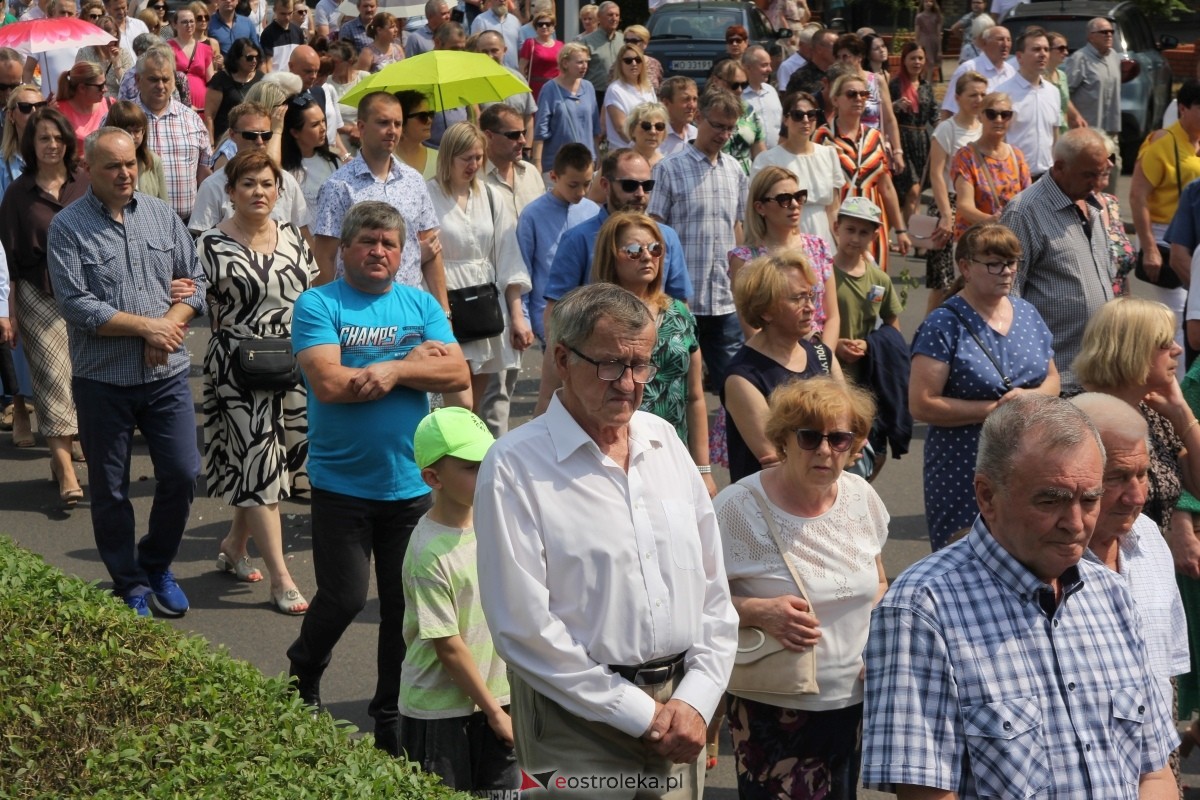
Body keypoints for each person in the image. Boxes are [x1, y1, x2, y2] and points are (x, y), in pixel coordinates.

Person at [474, 282, 740, 798]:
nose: (629, 382)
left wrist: (698, 699)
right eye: (612, 363)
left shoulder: (666, 443)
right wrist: (643, 714)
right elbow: (522, 626)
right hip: (574, 721)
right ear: (561, 359)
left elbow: (714, 592)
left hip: (680, 708)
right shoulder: (514, 466)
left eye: (642, 365)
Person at [862, 393, 1178, 799]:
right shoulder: (922, 612)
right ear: (987, 496)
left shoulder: (1114, 596)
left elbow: (1154, 774)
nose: (1076, 523)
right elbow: (927, 793)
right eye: (1051, 500)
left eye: (1090, 500)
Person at [285, 199, 471, 754]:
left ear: (403, 253)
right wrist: (415, 364)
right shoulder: (320, 304)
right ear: (344, 249)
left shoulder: (419, 302)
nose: (378, 251)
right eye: (368, 241)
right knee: (342, 599)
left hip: (413, 486)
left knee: (401, 608)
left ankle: (389, 716)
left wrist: (393, 367)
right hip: (342, 484)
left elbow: (458, 374)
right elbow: (328, 384)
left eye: (390, 243)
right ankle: (303, 668)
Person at [47, 127, 206, 617]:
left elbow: (196, 284)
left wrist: (168, 327)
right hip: (103, 380)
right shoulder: (68, 228)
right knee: (111, 489)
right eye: (113, 166)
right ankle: (130, 581)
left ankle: (157, 562)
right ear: (87, 170)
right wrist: (148, 329)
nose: (125, 173)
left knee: (182, 473)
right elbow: (77, 305)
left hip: (166, 375)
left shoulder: (160, 215)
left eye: (131, 163)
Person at [715, 376, 887, 798]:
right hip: (772, 704)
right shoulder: (736, 508)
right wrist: (758, 611)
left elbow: (880, 581)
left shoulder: (861, 496)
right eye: (810, 437)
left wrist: (881, 640)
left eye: (840, 438)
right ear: (784, 439)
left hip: (853, 701)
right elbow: (694, 601)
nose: (825, 451)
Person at [198, 148, 315, 615]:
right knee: (263, 467)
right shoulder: (210, 243)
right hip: (237, 370)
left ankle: (232, 544)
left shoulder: (291, 237)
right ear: (230, 193)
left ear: (279, 190)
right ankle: (281, 579)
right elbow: (189, 295)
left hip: (289, 365)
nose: (259, 192)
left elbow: (310, 297)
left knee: (267, 464)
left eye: (267, 184)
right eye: (247, 184)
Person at [910, 222, 1058, 550]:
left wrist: (1028, 397)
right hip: (964, 465)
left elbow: (1053, 379)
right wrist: (993, 410)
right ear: (965, 267)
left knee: (1026, 553)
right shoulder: (942, 323)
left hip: (1027, 461)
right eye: (994, 263)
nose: (1005, 271)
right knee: (964, 559)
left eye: (1011, 263)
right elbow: (921, 403)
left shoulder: (1027, 312)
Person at [397, 406, 517, 794]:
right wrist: (495, 713)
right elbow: (447, 646)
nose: (487, 473)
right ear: (433, 477)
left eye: (489, 460)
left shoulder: (492, 520)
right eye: (471, 467)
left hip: (498, 699)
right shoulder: (428, 552)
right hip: (440, 714)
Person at [1071, 392, 1190, 747]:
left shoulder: (1150, 538)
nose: (1137, 496)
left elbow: (1165, 670)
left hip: (1155, 756)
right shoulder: (1047, 558)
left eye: (1142, 474)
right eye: (1118, 477)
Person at [0, 107, 88, 508]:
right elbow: (11, 260)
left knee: (82, 376)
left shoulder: (85, 182)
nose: (52, 145)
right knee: (52, 377)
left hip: (88, 291)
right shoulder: (18, 194)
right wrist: (10, 310)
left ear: (68, 141)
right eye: (43, 139)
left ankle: (62, 454)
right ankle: (66, 469)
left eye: (57, 138)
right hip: (39, 291)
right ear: (31, 146)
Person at [591, 211, 714, 495]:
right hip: (611, 453)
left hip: (671, 454)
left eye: (655, 248)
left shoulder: (679, 314)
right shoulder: (593, 316)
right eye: (634, 250)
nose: (647, 257)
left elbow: (695, 397)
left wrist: (703, 469)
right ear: (611, 256)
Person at [426, 122, 531, 414]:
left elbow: (508, 256)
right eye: (466, 158)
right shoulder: (428, 195)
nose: (474, 165)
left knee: (476, 407)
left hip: (484, 302)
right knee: (453, 401)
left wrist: (518, 315)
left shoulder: (490, 195)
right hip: (446, 301)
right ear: (448, 157)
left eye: (478, 157)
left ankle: (470, 459)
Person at [1001, 128, 1116, 393]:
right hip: (1057, 378)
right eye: (1088, 174)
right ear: (1060, 167)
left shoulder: (1092, 204)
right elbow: (1008, 297)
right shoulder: (1025, 211)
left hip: (1100, 373)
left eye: (1100, 173)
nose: (1096, 182)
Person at [650, 90, 748, 392]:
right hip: (680, 300)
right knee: (675, 387)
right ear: (699, 118)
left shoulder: (735, 170)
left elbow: (738, 228)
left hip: (724, 301)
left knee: (734, 386)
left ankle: (723, 441)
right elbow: (655, 231)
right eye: (718, 125)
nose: (724, 134)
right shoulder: (669, 168)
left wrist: (741, 281)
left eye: (730, 128)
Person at [311, 92, 446, 309]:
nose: (392, 131)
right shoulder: (338, 186)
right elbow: (325, 258)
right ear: (361, 127)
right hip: (357, 311)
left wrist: (444, 312)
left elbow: (432, 251)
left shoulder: (414, 181)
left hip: (410, 308)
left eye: (398, 124)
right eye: (383, 123)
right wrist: (324, 315)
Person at [723, 252, 840, 483]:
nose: (809, 307)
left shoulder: (821, 354)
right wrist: (836, 450)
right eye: (797, 298)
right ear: (765, 310)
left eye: (810, 296)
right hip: (769, 505)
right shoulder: (742, 377)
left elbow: (849, 428)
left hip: (823, 494)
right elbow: (773, 456)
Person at [729, 165, 839, 347]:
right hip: (772, 358)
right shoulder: (744, 259)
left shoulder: (818, 247)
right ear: (760, 207)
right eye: (784, 199)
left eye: (799, 196)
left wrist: (823, 358)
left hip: (819, 353)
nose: (795, 204)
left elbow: (832, 315)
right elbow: (751, 328)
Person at [1128, 80, 1200, 356]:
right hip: (1163, 237)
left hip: (1193, 238)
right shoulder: (1163, 143)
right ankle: (1179, 386)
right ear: (1182, 108)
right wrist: (1149, 248)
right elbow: (1137, 196)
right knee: (1181, 314)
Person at [812, 73, 912, 272]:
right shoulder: (822, 137)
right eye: (851, 94)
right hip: (836, 227)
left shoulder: (875, 137)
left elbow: (886, 186)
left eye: (863, 94)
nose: (858, 98)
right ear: (835, 99)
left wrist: (900, 230)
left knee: (874, 290)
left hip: (871, 226)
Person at [188, 101, 307, 238]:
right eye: (251, 135)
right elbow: (203, 240)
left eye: (266, 135)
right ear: (232, 135)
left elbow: (303, 233)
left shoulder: (287, 181)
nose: (259, 142)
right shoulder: (212, 186)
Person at [924, 70, 984, 314]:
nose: (978, 100)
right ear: (957, 98)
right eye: (972, 95)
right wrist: (947, 215)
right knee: (943, 281)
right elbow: (936, 174)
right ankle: (927, 334)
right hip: (946, 204)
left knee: (972, 279)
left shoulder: (985, 129)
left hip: (975, 209)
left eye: (982, 94)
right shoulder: (946, 129)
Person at [751, 91, 844, 244]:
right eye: (798, 115)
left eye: (812, 114)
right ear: (785, 120)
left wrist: (840, 243)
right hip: (783, 238)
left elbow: (833, 208)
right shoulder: (767, 159)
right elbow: (757, 210)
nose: (806, 120)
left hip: (823, 238)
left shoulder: (828, 154)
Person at [829, 196, 902, 384]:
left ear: (874, 236)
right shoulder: (822, 273)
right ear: (837, 228)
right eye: (850, 230)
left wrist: (870, 345)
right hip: (826, 372)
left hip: (867, 375)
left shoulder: (880, 280)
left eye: (863, 233)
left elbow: (893, 328)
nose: (855, 238)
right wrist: (833, 344)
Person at [136, 48, 211, 220]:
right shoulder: (121, 118)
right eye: (153, 79)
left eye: (166, 79)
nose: (160, 86)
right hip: (137, 223)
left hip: (186, 224)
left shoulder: (192, 119)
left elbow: (204, 173)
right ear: (138, 80)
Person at [952, 91, 1030, 239]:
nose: (999, 120)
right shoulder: (966, 156)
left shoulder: (1017, 156)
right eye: (991, 114)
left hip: (1009, 241)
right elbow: (964, 206)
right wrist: (993, 221)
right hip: (975, 242)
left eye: (1005, 114)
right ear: (980, 116)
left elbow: (1028, 200)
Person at [834, 33, 903, 171]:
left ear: (859, 56)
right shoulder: (836, 84)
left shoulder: (877, 80)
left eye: (846, 56)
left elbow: (889, 119)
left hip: (874, 146)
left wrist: (897, 152)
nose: (842, 61)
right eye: (838, 57)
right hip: (845, 147)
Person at [994, 30, 1058, 179]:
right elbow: (996, 139)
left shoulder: (1053, 92)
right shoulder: (1002, 93)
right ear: (1019, 57)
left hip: (1047, 177)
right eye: (1036, 49)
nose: (1043, 54)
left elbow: (1054, 136)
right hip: (1014, 176)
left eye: (1046, 49)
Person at [531, 42, 600, 176]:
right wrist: (537, 162)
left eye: (587, 62)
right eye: (580, 62)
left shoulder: (589, 87)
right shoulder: (549, 89)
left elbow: (594, 127)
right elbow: (541, 129)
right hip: (557, 164)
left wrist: (597, 155)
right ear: (565, 63)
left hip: (586, 162)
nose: (585, 66)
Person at [889, 43, 937, 225]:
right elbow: (885, 112)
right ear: (904, 60)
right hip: (902, 141)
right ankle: (913, 234)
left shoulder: (926, 86)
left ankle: (914, 236)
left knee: (917, 191)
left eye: (920, 58)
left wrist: (943, 130)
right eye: (912, 58)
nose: (917, 62)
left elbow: (934, 114)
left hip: (922, 143)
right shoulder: (894, 85)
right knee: (913, 190)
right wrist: (895, 106)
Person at [280, 93, 339, 227]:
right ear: (295, 132)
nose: (323, 128)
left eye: (323, 121)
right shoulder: (285, 170)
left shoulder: (334, 162)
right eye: (315, 125)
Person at [1066, 17, 1122, 146]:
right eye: (1103, 32)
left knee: (1115, 165)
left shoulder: (1114, 56)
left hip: (1111, 132)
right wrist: (1075, 118)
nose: (1109, 35)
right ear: (1091, 36)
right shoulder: (1079, 59)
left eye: (1111, 32)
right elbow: (1064, 95)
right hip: (1088, 134)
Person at [940, 24, 1013, 119]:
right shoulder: (968, 69)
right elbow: (949, 108)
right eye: (1000, 39)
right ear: (985, 43)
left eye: (1009, 40)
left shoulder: (1011, 71)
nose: (1005, 44)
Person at [707, 60, 766, 175]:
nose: (739, 90)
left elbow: (760, 154)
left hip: (745, 181)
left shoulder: (749, 111)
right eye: (733, 85)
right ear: (716, 81)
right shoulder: (704, 111)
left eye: (744, 85)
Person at [104, 99, 169, 202]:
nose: (132, 136)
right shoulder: (101, 162)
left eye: (137, 131)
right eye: (126, 131)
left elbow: (164, 204)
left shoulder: (153, 160)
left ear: (144, 132)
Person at [204, 37, 261, 144]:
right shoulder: (221, 79)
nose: (254, 61)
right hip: (226, 140)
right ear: (237, 58)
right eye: (249, 58)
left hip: (254, 141)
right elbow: (209, 116)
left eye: (256, 57)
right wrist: (211, 144)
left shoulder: (261, 78)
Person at [602, 42, 656, 151]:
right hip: (624, 152)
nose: (634, 63)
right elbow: (620, 128)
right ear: (620, 64)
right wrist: (640, 147)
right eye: (628, 61)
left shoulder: (648, 87)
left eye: (638, 60)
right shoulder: (615, 90)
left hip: (648, 149)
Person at [54, 62, 112, 153]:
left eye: (105, 83)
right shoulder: (58, 111)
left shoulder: (110, 104)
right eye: (100, 86)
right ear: (82, 88)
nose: (105, 89)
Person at [168, 5, 214, 117]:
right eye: (184, 22)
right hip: (177, 100)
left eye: (191, 21)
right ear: (174, 25)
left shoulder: (205, 49)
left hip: (202, 103)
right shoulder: (167, 47)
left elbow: (211, 80)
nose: (189, 25)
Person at [76, 15, 134, 99]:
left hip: (117, 103)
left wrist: (117, 66)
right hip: (92, 101)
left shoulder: (124, 54)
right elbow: (78, 83)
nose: (111, 43)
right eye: (107, 39)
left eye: (114, 38)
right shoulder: (84, 53)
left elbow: (130, 86)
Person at [392, 89, 438, 181]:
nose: (429, 121)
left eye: (431, 114)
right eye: (422, 117)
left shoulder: (440, 159)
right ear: (401, 120)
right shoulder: (385, 162)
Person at [579, 0, 622, 96]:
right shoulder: (586, 42)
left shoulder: (623, 40)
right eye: (610, 15)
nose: (614, 18)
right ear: (599, 17)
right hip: (595, 94)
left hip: (619, 92)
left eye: (617, 15)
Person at [518, 6, 560, 102]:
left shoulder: (560, 45)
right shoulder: (530, 43)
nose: (544, 27)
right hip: (536, 87)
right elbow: (522, 68)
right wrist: (523, 89)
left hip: (556, 87)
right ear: (536, 27)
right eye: (540, 24)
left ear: (553, 27)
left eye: (548, 24)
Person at [785, 27, 837, 98]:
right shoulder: (800, 78)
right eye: (835, 47)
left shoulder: (841, 73)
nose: (838, 51)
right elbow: (791, 105)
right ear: (819, 49)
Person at [469, 0, 518, 70]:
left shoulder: (515, 21)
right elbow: (474, 49)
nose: (502, 0)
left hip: (512, 73)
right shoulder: (480, 21)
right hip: (488, 71)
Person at [259, 0, 305, 72]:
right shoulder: (268, 33)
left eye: (290, 13)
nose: (287, 17)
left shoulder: (298, 31)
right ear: (275, 10)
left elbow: (301, 57)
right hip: (276, 79)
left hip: (294, 79)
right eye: (283, 14)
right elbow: (268, 62)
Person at [658, 76, 697, 158]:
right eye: (686, 99)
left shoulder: (695, 134)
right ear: (666, 103)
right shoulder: (652, 136)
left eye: (695, 99)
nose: (692, 105)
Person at [625, 101, 667, 170]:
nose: (653, 132)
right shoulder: (619, 164)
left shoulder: (667, 165)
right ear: (632, 130)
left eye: (659, 126)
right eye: (646, 126)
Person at [622, 24, 662, 91]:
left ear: (645, 44)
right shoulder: (619, 64)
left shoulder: (655, 64)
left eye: (634, 41)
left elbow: (660, 88)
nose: (629, 44)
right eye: (627, 41)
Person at [914, 0, 942, 83]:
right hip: (923, 40)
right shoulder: (919, 17)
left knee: (931, 63)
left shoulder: (936, 16)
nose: (928, 4)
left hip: (934, 40)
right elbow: (917, 32)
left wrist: (940, 49)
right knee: (927, 62)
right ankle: (924, 81)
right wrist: (917, 44)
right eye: (926, 1)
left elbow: (938, 32)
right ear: (923, 3)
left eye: (931, 2)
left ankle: (928, 82)